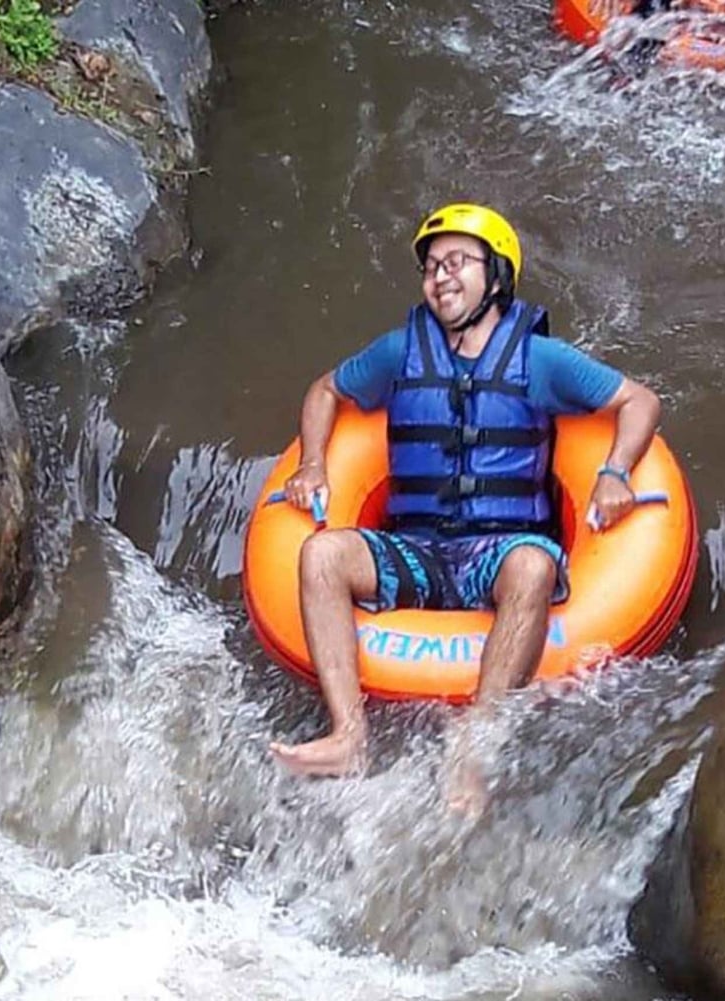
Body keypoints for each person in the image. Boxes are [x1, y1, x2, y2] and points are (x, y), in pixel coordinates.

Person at [267, 203, 663, 804]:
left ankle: (474, 748)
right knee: (321, 554)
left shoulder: (541, 361)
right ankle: (348, 735)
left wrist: (613, 472)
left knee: (533, 566)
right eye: (430, 267)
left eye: (456, 262)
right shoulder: (399, 353)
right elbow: (325, 390)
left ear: (496, 275)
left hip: (499, 549)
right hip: (417, 549)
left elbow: (640, 401)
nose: (439, 277)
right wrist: (314, 462)